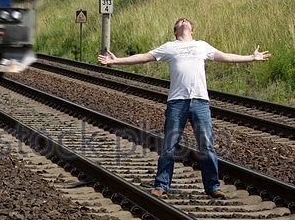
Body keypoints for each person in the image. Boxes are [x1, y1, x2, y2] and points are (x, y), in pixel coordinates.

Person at [98, 18, 271, 199]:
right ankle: (161, 185)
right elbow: (144, 57)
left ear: (192, 31)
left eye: (186, 21)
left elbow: (226, 57)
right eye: (180, 22)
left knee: (207, 145)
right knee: (169, 145)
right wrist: (117, 61)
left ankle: (213, 186)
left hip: (200, 101)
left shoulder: (202, 46)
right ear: (175, 32)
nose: (183, 21)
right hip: (177, 101)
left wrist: (251, 57)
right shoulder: (169, 47)